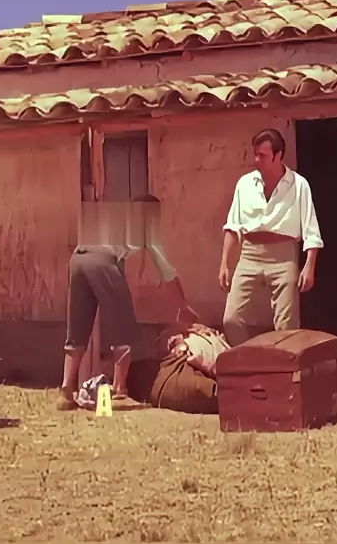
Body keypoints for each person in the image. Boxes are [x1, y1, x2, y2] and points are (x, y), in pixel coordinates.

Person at [58, 194, 199, 411]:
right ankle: (119, 391)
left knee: (78, 325)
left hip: (78, 258)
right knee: (122, 325)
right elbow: (167, 272)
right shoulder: (145, 227)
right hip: (103, 260)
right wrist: (183, 306)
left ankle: (66, 391)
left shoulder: (112, 218)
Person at [219, 128, 323, 347]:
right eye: (256, 154)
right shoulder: (245, 184)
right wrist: (225, 263)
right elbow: (233, 226)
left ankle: (284, 365)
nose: (257, 160)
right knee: (231, 319)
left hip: (283, 255)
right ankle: (250, 359)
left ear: (278, 155)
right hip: (249, 254)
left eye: (263, 155)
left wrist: (309, 266)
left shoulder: (298, 185)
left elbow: (311, 230)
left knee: (286, 325)